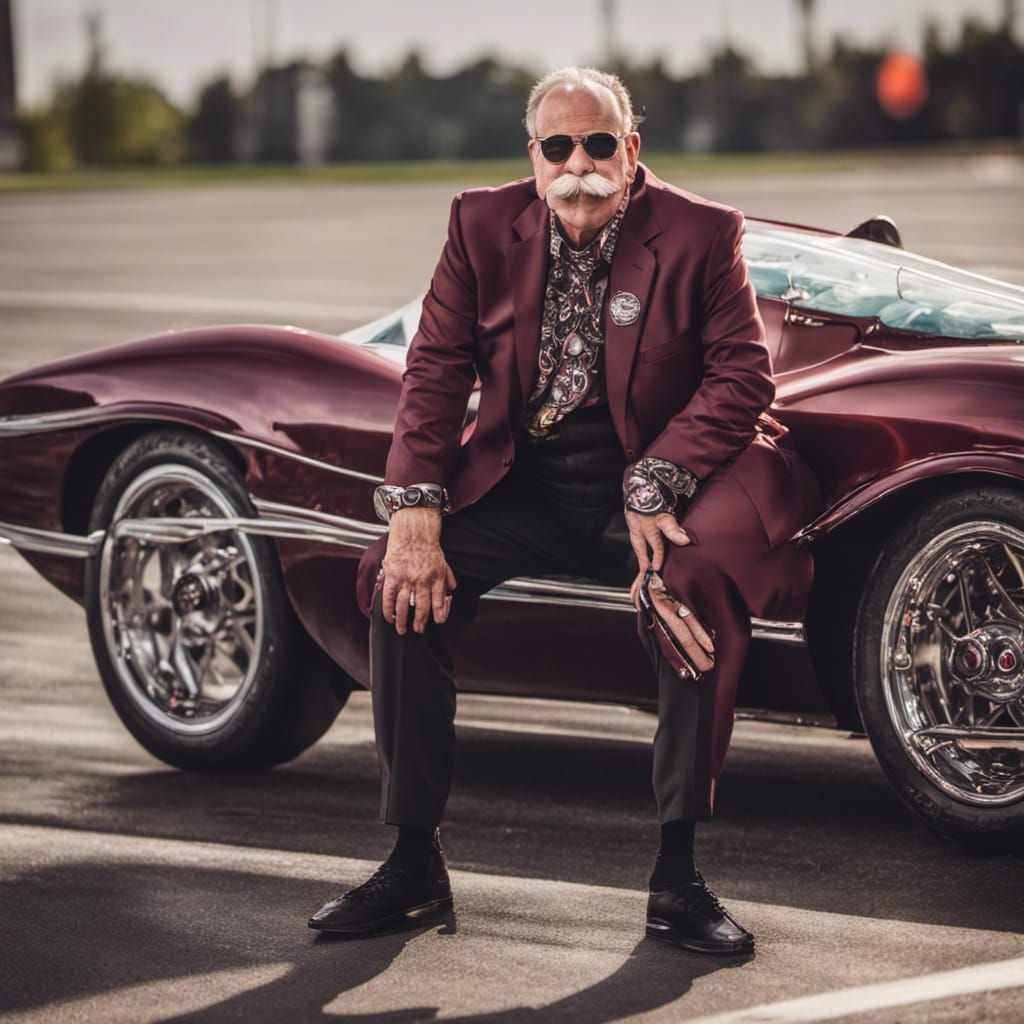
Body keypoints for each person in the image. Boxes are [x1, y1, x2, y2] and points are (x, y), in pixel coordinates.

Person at [309, 66, 822, 954]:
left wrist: (657, 476)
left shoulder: (702, 233)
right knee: (392, 583)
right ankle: (411, 863)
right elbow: (434, 369)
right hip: (523, 484)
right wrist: (416, 515)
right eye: (558, 146)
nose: (577, 162)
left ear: (631, 149)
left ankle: (679, 878)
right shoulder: (479, 224)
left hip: (647, 494)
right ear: (533, 157)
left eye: (598, 143)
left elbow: (744, 375)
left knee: (693, 601)